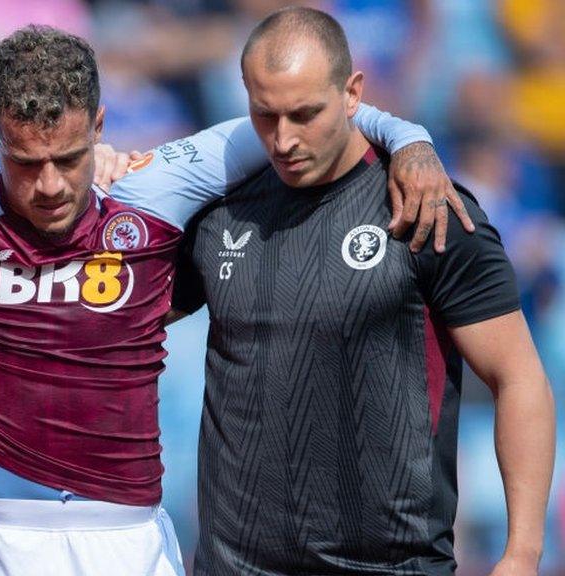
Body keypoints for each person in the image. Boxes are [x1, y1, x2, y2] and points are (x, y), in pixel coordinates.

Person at [0, 24, 470, 575]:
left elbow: (315, 110)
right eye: (25, 161)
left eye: (70, 158)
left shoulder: (157, 187)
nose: (49, 185)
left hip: (127, 541)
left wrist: (411, 140)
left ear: (100, 127)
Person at [166, 7, 555, 574]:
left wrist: (522, 553)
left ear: (353, 94)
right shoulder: (220, 213)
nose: (284, 139)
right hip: (235, 565)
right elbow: (124, 324)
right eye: (265, 115)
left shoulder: (426, 209)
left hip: (390, 565)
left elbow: (518, 378)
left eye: (305, 114)